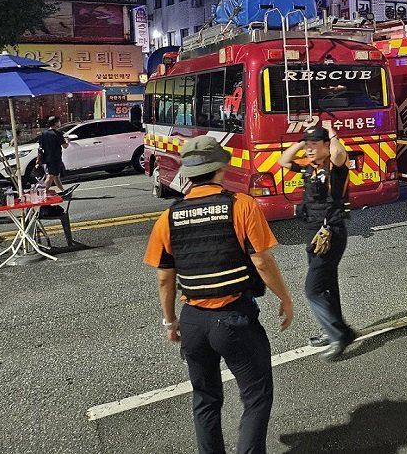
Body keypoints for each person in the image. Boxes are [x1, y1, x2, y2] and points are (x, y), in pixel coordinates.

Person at [144, 136, 294, 454]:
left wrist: (171, 322)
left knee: (205, 400)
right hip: (234, 318)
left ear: (188, 171)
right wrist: (285, 297)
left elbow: (164, 279)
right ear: (221, 168)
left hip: (194, 323)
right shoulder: (240, 205)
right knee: (256, 396)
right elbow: (261, 262)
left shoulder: (168, 218)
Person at [279, 123, 356, 361]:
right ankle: (334, 329)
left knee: (312, 290)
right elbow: (283, 160)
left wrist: (330, 133)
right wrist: (305, 141)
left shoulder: (335, 168)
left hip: (331, 234)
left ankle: (338, 335)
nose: (309, 150)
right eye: (307, 146)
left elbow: (339, 153)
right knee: (327, 286)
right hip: (314, 236)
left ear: (326, 145)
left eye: (315, 145)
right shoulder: (308, 169)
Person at [38, 116, 69, 193]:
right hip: (55, 158)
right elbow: (65, 146)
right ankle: (43, 192)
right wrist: (67, 141)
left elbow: (40, 147)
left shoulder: (44, 134)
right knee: (51, 176)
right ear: (55, 123)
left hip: (47, 157)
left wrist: (38, 159)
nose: (60, 123)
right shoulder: (58, 134)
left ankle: (63, 190)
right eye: (59, 121)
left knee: (56, 175)